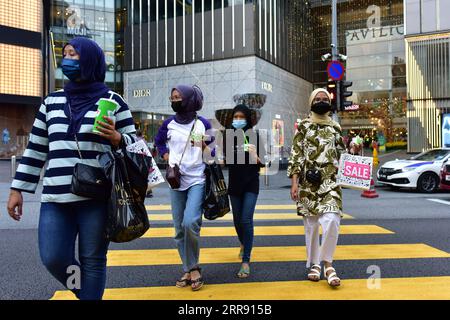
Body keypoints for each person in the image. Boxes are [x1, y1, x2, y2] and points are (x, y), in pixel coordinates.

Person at [6, 37, 137, 300]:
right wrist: (18, 188)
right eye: (65, 54)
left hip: (98, 197)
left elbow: (136, 147)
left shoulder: (114, 101)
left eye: (74, 55)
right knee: (53, 257)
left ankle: (89, 294)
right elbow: (36, 148)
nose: (68, 60)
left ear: (90, 60)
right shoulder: (51, 102)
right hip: (57, 197)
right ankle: (85, 292)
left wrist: (117, 138)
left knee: (93, 260)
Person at [154, 84, 213, 291]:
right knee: (179, 229)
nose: (174, 100)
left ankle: (193, 267)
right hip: (175, 180)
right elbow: (159, 142)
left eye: (178, 97)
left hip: (197, 179)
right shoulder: (168, 123)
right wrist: (166, 156)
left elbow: (214, 155)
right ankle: (189, 268)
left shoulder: (202, 123)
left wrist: (204, 146)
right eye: (172, 97)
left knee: (190, 222)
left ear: (189, 98)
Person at [287, 88, 346, 287]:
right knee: (311, 227)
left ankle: (328, 264)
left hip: (330, 182)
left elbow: (342, 154)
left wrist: (353, 156)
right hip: (307, 184)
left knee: (332, 220)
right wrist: (294, 183)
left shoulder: (336, 127)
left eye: (325, 98)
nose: (321, 101)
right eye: (317, 98)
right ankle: (315, 264)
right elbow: (296, 155)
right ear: (311, 102)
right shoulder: (303, 126)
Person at [222, 104, 266, 278]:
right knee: (237, 221)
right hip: (234, 184)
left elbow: (264, 162)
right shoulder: (229, 137)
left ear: (247, 119)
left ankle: (246, 261)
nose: (238, 120)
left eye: (241, 117)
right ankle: (243, 243)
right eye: (235, 117)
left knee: (246, 220)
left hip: (251, 184)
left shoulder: (254, 136)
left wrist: (255, 156)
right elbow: (224, 161)